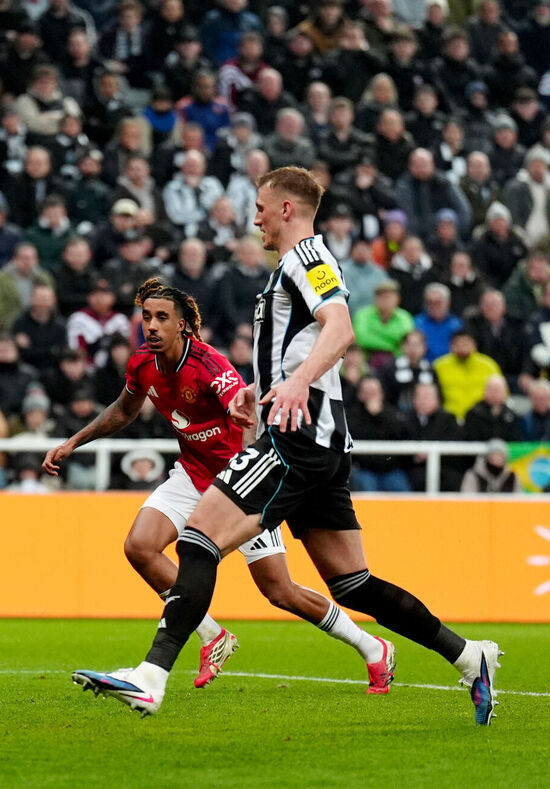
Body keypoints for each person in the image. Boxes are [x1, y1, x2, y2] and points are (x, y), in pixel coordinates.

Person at [70, 168, 501, 724]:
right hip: (317, 438)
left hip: (297, 436)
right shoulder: (297, 266)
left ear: (287, 210)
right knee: (354, 583)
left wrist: (296, 386)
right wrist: (263, 388)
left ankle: (150, 678)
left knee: (199, 540)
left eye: (260, 208)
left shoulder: (307, 259)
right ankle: (470, 658)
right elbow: (301, 349)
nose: (255, 219)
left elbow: (340, 329)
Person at [48, 278, 391, 693]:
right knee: (139, 547)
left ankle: (372, 648)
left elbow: (240, 405)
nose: (152, 326)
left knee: (279, 591)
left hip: (238, 488)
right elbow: (125, 409)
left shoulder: (210, 365)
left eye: (162, 318)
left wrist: (241, 425)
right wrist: (73, 442)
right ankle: (212, 636)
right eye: (147, 318)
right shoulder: (141, 363)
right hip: (192, 475)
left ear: (183, 326)